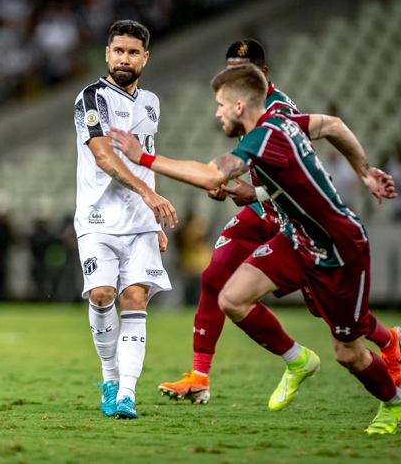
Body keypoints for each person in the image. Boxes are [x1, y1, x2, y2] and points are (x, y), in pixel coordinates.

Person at [108, 63, 400, 434]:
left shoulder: (263, 137)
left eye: (220, 105)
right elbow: (333, 127)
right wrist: (366, 170)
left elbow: (213, 173)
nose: (217, 113)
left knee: (349, 353)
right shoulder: (282, 122)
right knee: (231, 296)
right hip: (296, 239)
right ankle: (297, 360)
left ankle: (393, 403)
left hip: (339, 250)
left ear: (240, 106)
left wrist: (143, 157)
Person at [74, 20, 177, 420]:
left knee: (134, 299)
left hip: (139, 223)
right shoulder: (91, 98)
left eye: (133, 52)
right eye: (118, 51)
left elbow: (147, 159)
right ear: (107, 54)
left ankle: (128, 394)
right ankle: (110, 377)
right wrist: (150, 195)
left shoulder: (151, 101)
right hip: (98, 218)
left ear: (144, 58)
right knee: (101, 295)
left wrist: (153, 220)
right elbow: (104, 156)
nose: (124, 58)